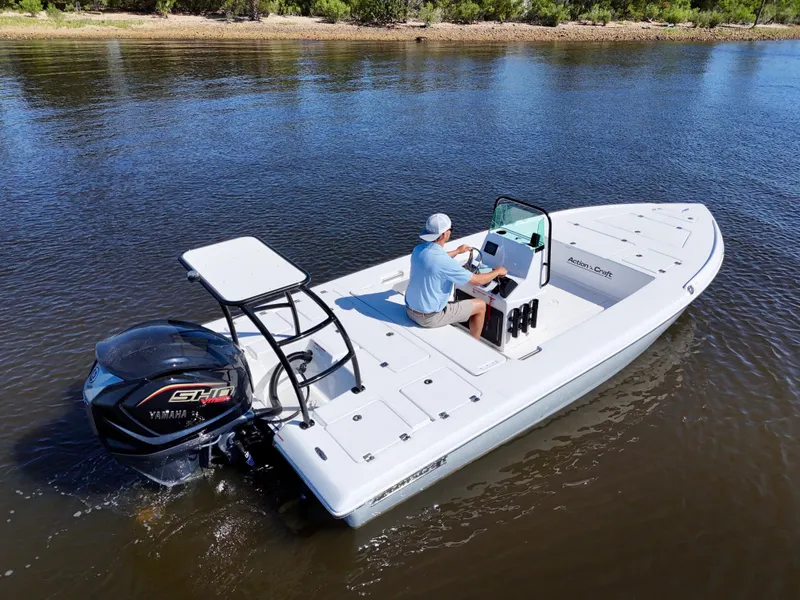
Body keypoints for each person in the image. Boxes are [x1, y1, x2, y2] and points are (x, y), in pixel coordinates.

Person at [405, 213, 508, 340]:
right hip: (429, 319)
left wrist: (458, 252)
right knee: (481, 305)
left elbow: (434, 259)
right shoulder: (446, 263)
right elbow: (477, 281)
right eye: (450, 229)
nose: (450, 232)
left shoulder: (418, 250)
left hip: (410, 310)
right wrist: (497, 271)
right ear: (444, 234)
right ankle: (475, 345)